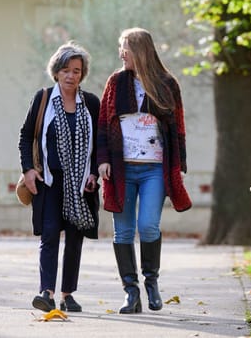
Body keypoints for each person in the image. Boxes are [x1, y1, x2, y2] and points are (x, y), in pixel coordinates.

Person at [97, 27, 192, 314]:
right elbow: (104, 122)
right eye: (120, 48)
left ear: (140, 50)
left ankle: (151, 282)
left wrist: (180, 164)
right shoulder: (115, 82)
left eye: (125, 47)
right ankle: (130, 292)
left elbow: (178, 127)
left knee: (148, 225)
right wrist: (102, 159)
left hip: (154, 170)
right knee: (122, 232)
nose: (121, 53)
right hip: (121, 170)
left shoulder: (166, 84)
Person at [18, 41, 100, 313]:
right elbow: (26, 136)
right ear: (56, 72)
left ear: (82, 74)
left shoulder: (90, 103)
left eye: (76, 71)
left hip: (80, 185)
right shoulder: (43, 99)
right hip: (49, 182)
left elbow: (99, 143)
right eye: (65, 70)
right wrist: (28, 169)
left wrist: (94, 173)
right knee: (50, 234)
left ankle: (68, 294)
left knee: (75, 238)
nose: (71, 76)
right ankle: (47, 292)